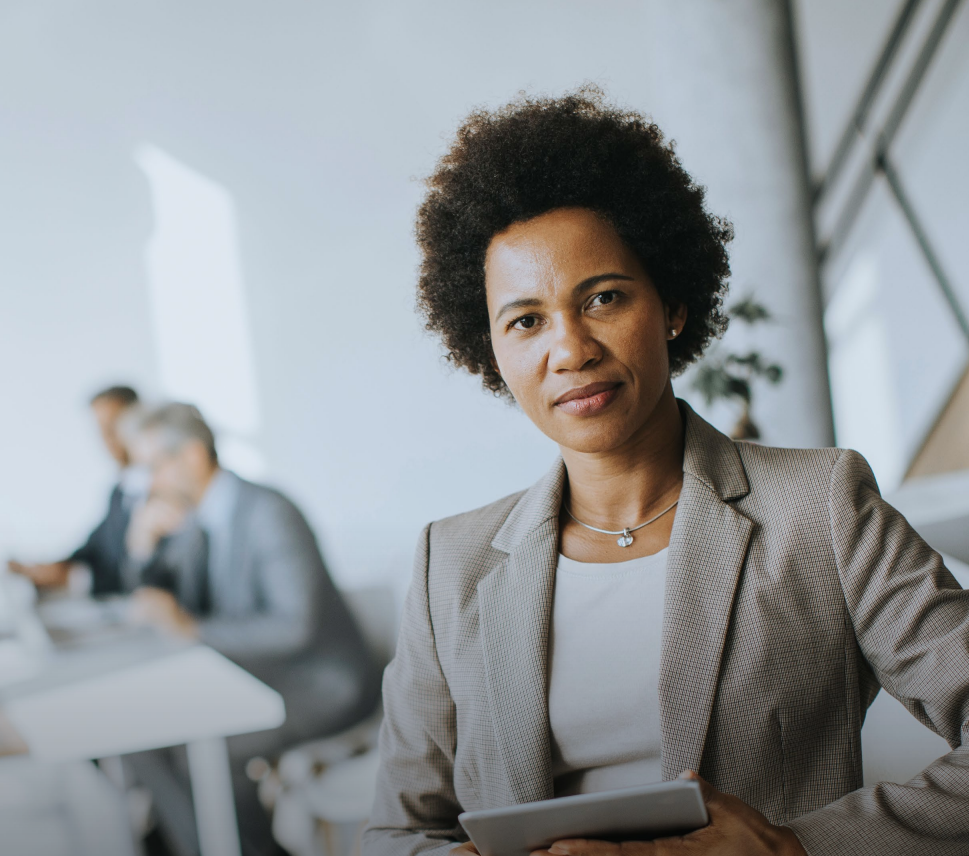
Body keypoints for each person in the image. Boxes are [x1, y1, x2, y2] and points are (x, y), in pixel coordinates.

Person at [364, 88, 969, 856]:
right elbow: (393, 832)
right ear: (491, 354)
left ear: (673, 304)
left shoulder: (819, 508)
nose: (571, 349)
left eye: (604, 298)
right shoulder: (447, 564)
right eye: (526, 321)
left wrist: (793, 847)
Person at [123, 402, 380, 856]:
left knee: (203, 751)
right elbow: (165, 606)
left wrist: (189, 629)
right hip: (254, 678)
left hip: (321, 686)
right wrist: (144, 551)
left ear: (193, 456)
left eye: (153, 467)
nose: (150, 483)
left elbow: (294, 627)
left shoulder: (267, 512)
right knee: (139, 738)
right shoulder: (196, 519)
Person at [9, 385, 147, 594]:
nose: (106, 439)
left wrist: (72, 578)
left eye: (113, 427)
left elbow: (143, 575)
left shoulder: (163, 491)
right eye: (100, 429)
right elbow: (93, 548)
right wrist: (48, 569)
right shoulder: (119, 490)